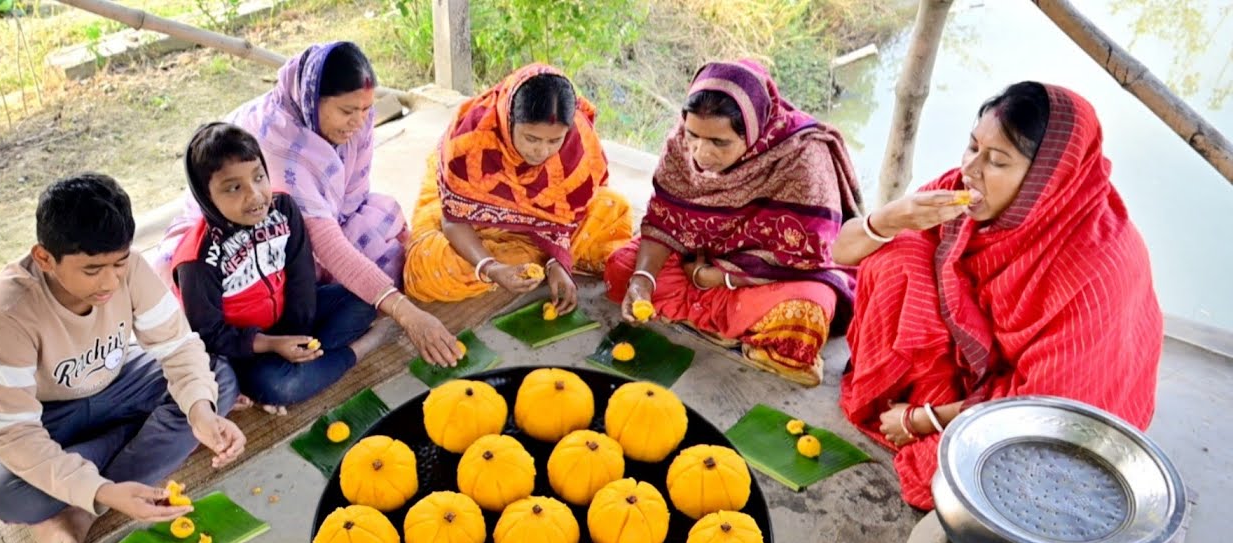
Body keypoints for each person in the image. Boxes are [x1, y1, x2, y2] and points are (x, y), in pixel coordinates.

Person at [834, 82, 1164, 510]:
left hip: (1059, 408)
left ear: (1049, 179)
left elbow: (1048, 412)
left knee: (987, 482)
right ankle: (909, 401)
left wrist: (924, 420)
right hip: (980, 368)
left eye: (996, 161)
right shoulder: (962, 193)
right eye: (971, 147)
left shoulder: (1096, 270)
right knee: (896, 257)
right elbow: (842, 251)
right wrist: (893, 216)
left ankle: (932, 416)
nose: (970, 170)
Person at [0, 173, 247, 543]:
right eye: (92, 270)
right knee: (4, 492)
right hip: (41, 414)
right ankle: (103, 477)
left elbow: (178, 345)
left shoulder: (129, 268)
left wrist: (201, 414)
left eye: (118, 263)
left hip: (113, 384)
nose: (110, 282)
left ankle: (78, 508)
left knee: (217, 381)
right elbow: (13, 434)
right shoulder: (7, 311)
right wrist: (104, 491)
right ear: (44, 258)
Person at [153, 41, 460, 367]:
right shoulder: (277, 149)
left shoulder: (291, 201)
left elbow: (340, 213)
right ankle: (332, 355)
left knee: (376, 260)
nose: (359, 122)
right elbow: (324, 244)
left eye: (366, 109)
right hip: (241, 269)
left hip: (284, 255)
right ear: (312, 99)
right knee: (270, 381)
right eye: (347, 111)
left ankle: (304, 355)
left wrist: (294, 334)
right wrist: (407, 314)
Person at [605, 60, 862, 386]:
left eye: (719, 143)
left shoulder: (801, 156)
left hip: (766, 276)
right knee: (620, 268)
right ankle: (736, 330)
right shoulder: (682, 143)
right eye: (693, 135)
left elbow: (809, 253)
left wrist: (718, 277)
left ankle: (714, 317)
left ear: (752, 130)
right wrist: (643, 279)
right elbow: (664, 221)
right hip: (696, 255)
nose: (700, 153)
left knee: (805, 313)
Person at [169, 122, 386, 415]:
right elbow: (211, 334)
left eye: (259, 177)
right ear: (206, 197)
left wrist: (297, 338)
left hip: (295, 319)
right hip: (247, 348)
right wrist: (272, 345)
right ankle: (355, 351)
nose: (256, 195)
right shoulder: (197, 260)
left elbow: (302, 278)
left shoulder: (283, 208)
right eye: (234, 187)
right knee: (280, 386)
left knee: (363, 300)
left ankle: (310, 364)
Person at [403, 63, 632, 314]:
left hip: (546, 230)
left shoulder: (579, 144)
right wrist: (490, 267)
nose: (542, 151)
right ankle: (517, 259)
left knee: (610, 210)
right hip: (471, 219)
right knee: (429, 267)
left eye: (555, 140)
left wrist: (558, 261)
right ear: (508, 120)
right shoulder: (469, 141)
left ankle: (538, 259)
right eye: (531, 138)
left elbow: (570, 215)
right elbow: (454, 221)